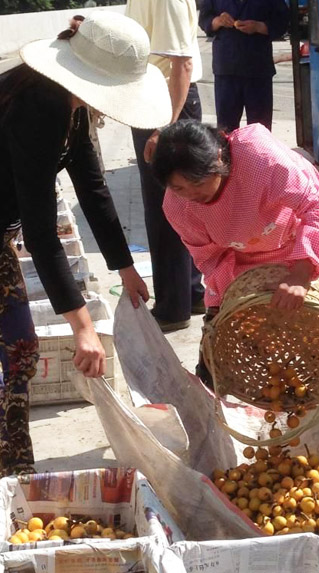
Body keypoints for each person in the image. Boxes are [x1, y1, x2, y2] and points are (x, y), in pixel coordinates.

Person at [0, 12, 171, 477]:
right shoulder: (37, 106)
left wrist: (125, 268)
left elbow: (93, 189)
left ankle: (16, 476)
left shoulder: (70, 108)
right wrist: (82, 327)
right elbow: (41, 234)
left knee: (20, 351)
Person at [152, 120, 319, 382]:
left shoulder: (261, 159)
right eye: (178, 188)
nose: (191, 194)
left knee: (316, 341)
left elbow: (317, 209)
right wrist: (235, 301)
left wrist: (300, 275)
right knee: (218, 351)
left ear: (218, 158)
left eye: (196, 182)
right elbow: (210, 258)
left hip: (297, 246)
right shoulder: (178, 207)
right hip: (241, 261)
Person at [126, 0, 205, 333]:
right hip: (154, 102)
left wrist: (164, 128)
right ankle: (191, 292)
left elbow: (182, 64)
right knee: (175, 206)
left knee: (166, 210)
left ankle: (173, 306)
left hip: (166, 107)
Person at [199, 0, 290, 132]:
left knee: (259, 130)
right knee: (225, 130)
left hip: (258, 68)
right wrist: (218, 21)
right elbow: (204, 19)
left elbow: (282, 22)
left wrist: (259, 27)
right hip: (226, 68)